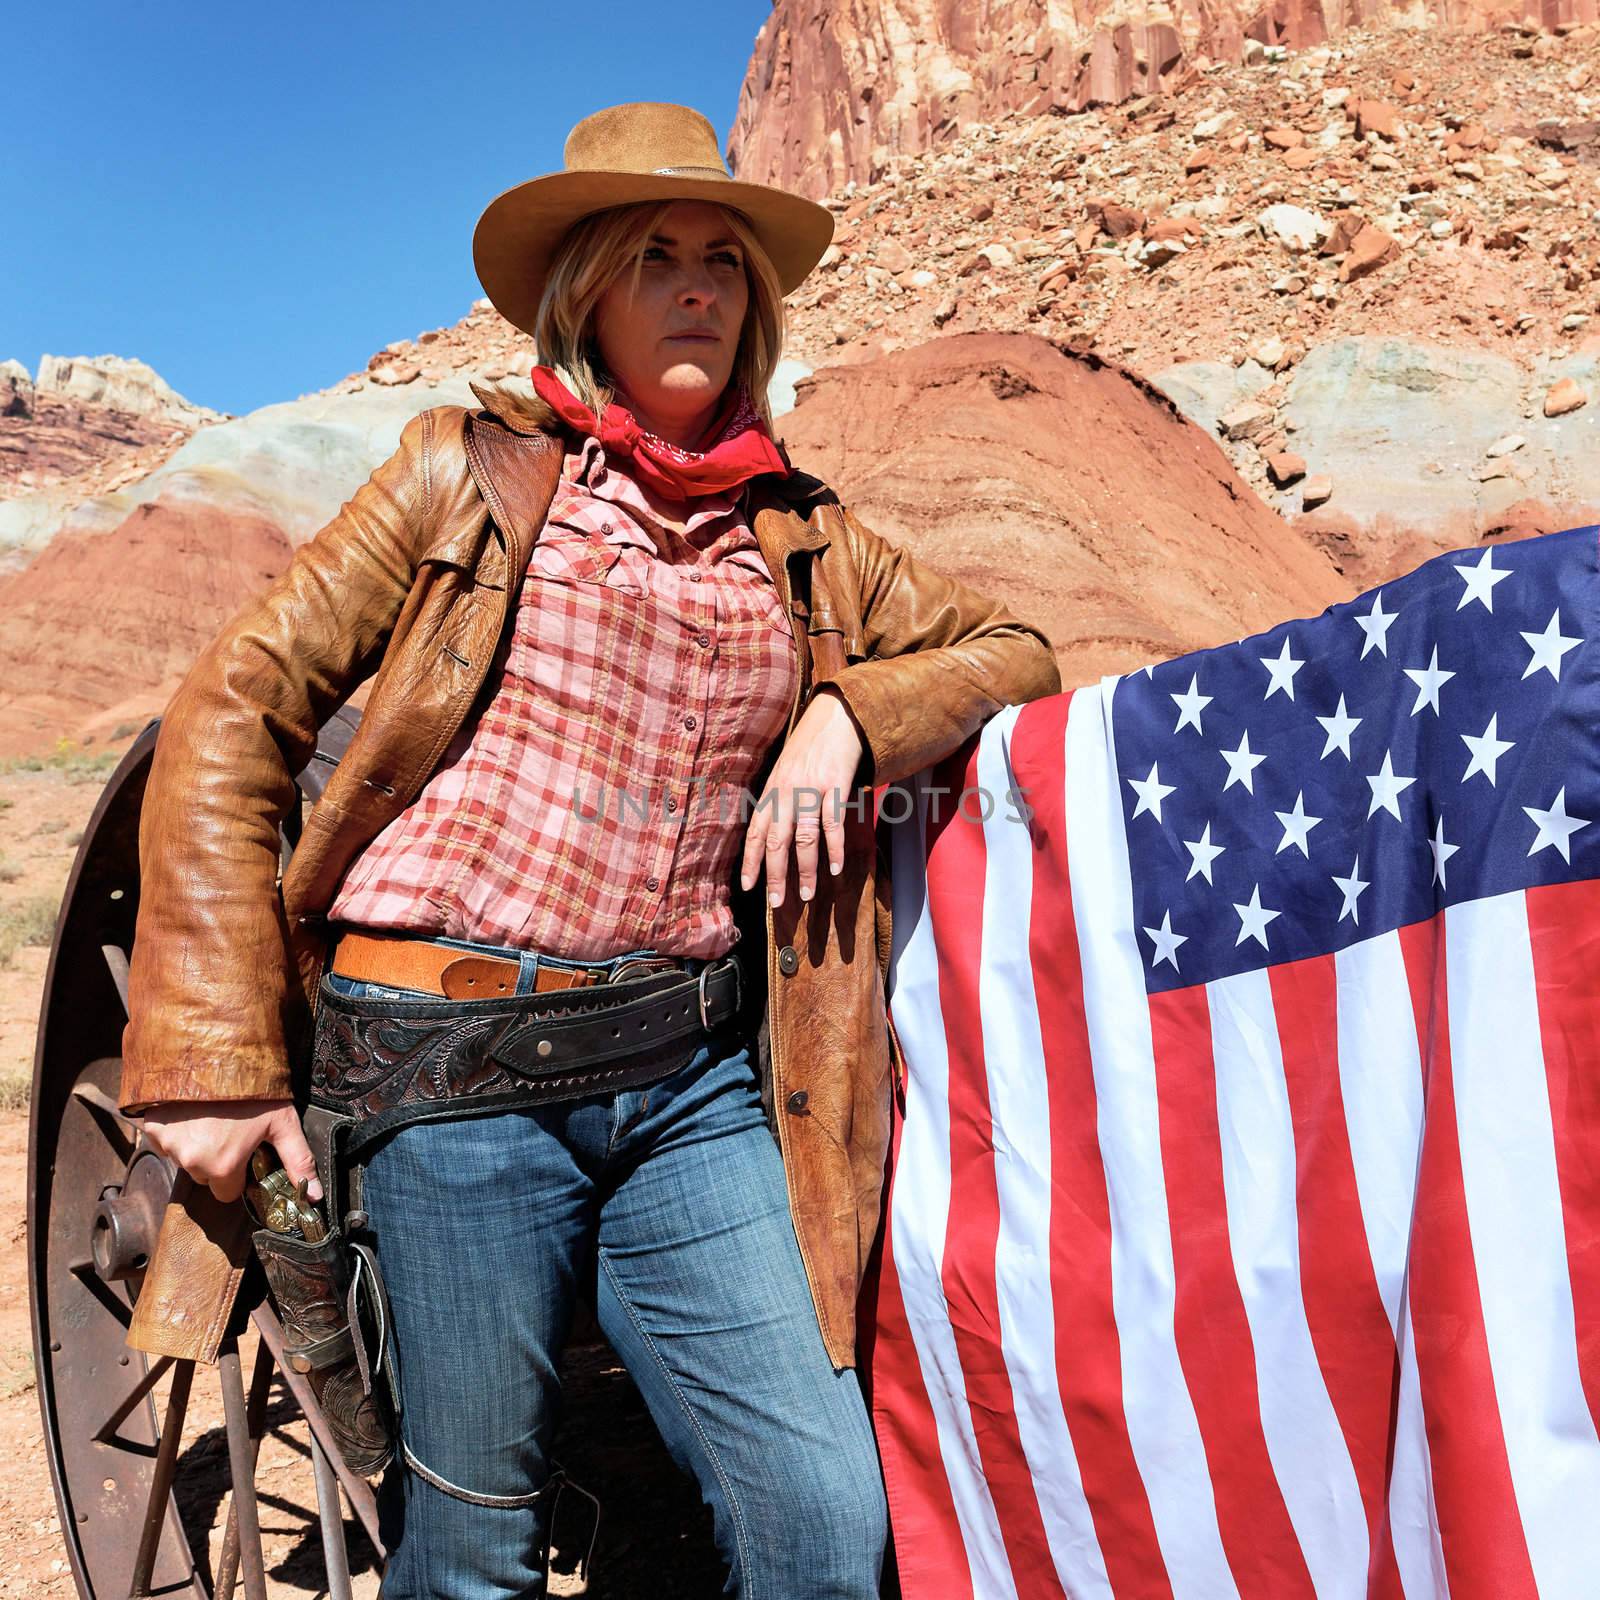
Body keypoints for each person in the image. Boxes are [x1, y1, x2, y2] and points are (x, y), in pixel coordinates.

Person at [118, 100, 1062, 1597]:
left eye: (722, 264)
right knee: (478, 1546)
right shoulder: (466, 476)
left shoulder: (802, 535)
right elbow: (237, 703)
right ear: (590, 297)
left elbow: (1013, 650)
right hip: (454, 1074)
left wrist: (857, 719)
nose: (697, 286)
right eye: (656, 258)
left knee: (827, 1521)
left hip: (685, 1083)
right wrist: (214, 1056)